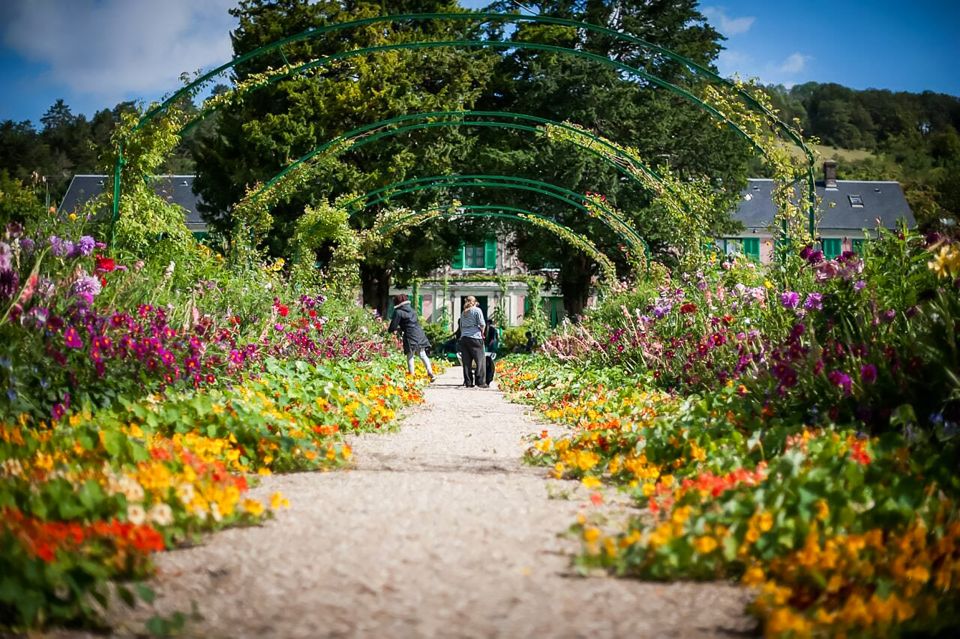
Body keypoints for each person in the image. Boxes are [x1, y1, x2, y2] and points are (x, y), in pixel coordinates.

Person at [387, 294, 435, 381]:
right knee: (422, 354)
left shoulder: (398, 312)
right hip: (419, 334)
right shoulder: (413, 310)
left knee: (410, 356)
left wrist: (391, 330)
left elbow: (393, 326)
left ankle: (411, 376)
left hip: (409, 335)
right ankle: (430, 372)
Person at [458, 295, 486, 388]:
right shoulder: (477, 310)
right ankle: (480, 382)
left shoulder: (463, 312)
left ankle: (468, 382)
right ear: (474, 302)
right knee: (480, 360)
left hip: (464, 338)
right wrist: (482, 333)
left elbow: (461, 326)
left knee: (466, 362)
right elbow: (482, 324)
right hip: (475, 337)